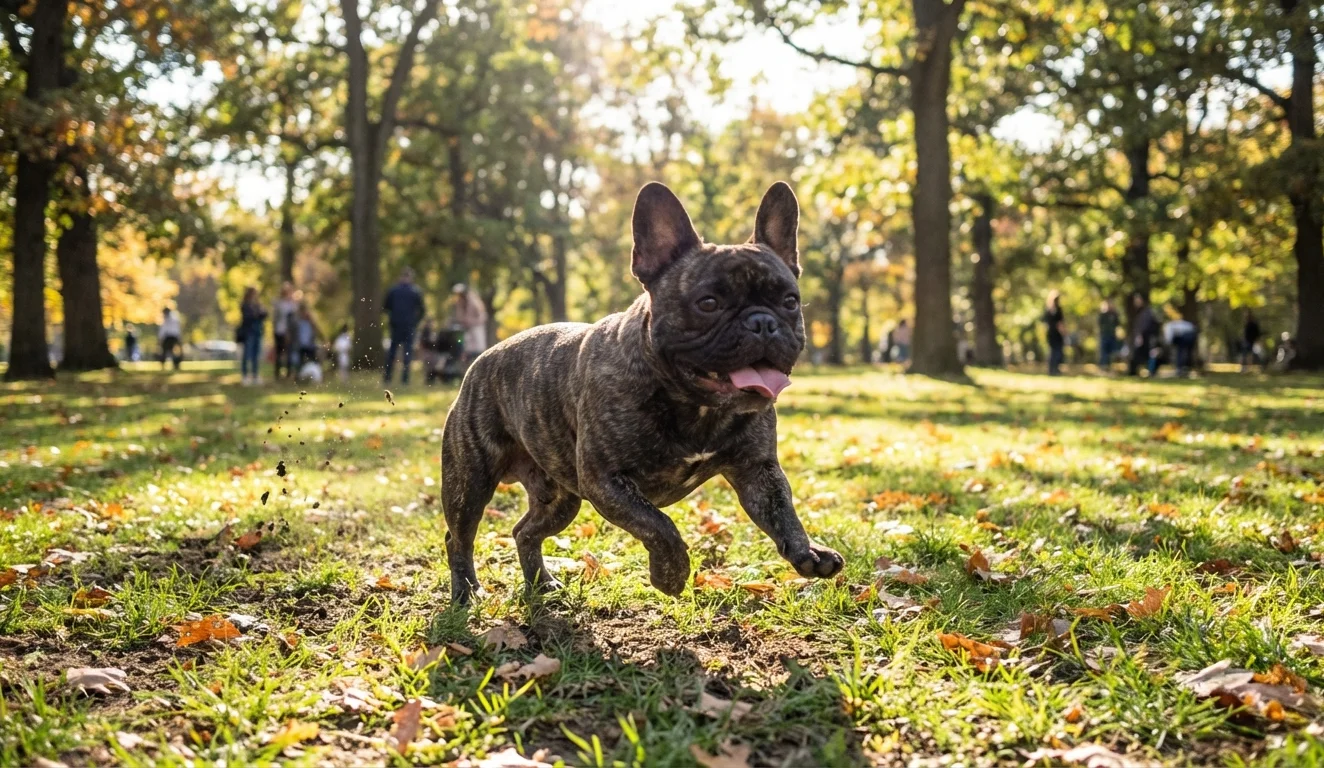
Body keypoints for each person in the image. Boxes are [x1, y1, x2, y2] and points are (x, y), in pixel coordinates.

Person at [383, 267, 425, 385]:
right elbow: (422, 310)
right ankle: (404, 379)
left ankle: (387, 377)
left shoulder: (393, 291)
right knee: (407, 353)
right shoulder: (415, 291)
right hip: (409, 326)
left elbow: (386, 307)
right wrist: (415, 321)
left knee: (392, 352)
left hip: (396, 325)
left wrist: (392, 318)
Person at [450, 283, 489, 365]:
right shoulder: (459, 302)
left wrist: (472, 321)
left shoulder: (474, 301)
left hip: (476, 327)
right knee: (467, 348)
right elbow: (459, 316)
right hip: (467, 328)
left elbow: (482, 316)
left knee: (478, 348)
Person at [238, 287, 268, 385]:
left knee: (256, 354)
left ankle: (255, 375)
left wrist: (258, 313)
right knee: (247, 354)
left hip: (258, 332)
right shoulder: (245, 305)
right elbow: (249, 317)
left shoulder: (258, 305)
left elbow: (264, 314)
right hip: (248, 332)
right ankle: (245, 375)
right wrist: (257, 314)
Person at [271, 282, 298, 380]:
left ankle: (288, 373)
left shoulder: (292, 305)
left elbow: (293, 320)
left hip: (288, 331)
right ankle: (278, 373)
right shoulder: (279, 303)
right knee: (279, 352)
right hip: (279, 331)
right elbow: (275, 318)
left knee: (289, 352)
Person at [294, 303, 322, 382]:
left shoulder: (310, 322)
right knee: (301, 363)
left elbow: (316, 331)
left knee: (312, 361)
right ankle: (301, 378)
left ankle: (314, 377)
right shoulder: (298, 322)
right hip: (301, 345)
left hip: (310, 345)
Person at [1042, 291, 1066, 376]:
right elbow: (1060, 323)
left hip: (1051, 333)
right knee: (1056, 352)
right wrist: (1064, 333)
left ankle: (1052, 369)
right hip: (1055, 334)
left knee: (1053, 352)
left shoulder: (1048, 310)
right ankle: (1054, 369)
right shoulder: (1057, 310)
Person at [1097, 300, 1120, 369]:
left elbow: (1117, 323)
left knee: (1112, 352)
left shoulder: (1114, 314)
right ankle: (1103, 366)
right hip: (1104, 335)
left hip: (1112, 335)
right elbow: (1099, 324)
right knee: (1104, 352)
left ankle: (1110, 366)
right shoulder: (1102, 315)